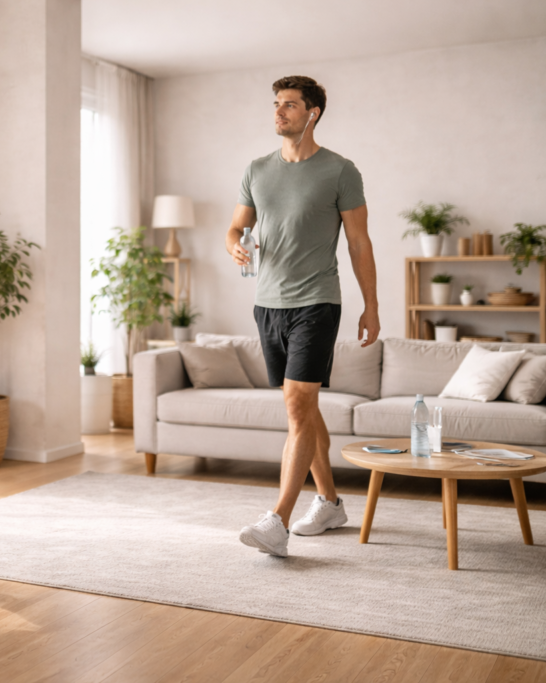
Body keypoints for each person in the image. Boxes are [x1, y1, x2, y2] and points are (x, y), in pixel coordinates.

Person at [227, 75, 379, 558]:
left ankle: (278, 521)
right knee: (303, 409)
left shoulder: (340, 171)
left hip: (317, 300)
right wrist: (235, 247)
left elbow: (358, 242)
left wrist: (371, 304)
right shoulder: (257, 169)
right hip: (267, 303)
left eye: (289, 105)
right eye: (276, 104)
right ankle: (330, 502)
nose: (279, 112)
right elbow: (236, 227)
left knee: (296, 405)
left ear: (312, 113)